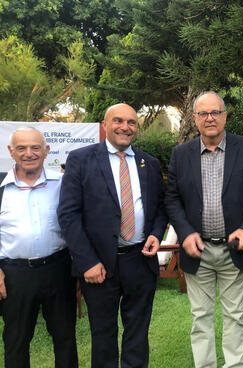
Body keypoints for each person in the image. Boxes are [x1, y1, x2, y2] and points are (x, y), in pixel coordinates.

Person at [57, 103, 167, 368]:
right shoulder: (81, 159)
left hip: (139, 259)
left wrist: (155, 233)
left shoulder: (149, 163)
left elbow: (160, 207)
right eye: (118, 121)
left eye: (131, 122)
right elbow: (69, 215)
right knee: (103, 334)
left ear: (136, 129)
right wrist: (87, 262)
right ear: (105, 125)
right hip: (99, 264)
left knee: (137, 333)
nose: (125, 127)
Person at [165, 91, 243, 368]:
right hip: (197, 250)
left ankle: (235, 365)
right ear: (194, 119)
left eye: (216, 112)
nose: (210, 118)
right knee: (201, 317)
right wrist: (185, 233)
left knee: (235, 316)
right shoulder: (181, 154)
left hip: (234, 248)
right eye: (203, 114)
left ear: (225, 116)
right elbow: (172, 199)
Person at [0, 127, 78, 368]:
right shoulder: (1, 188)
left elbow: (77, 223)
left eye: (35, 147)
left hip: (58, 269)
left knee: (65, 337)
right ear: (11, 152)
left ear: (46, 151)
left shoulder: (63, 184)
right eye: (21, 148)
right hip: (15, 275)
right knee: (16, 340)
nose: (29, 153)